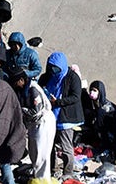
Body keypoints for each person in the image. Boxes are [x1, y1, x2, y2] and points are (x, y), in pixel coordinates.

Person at [42, 51, 83, 179]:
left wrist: (58, 102)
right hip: (50, 116)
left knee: (66, 147)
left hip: (66, 118)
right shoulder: (48, 76)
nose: (54, 70)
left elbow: (75, 97)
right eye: (52, 67)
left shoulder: (72, 77)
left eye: (56, 68)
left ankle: (68, 173)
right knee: (49, 145)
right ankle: (52, 170)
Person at [12, 66, 55, 181]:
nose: (15, 85)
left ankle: (42, 180)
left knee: (42, 154)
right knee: (34, 152)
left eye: (16, 82)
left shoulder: (32, 89)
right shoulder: (22, 91)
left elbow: (36, 111)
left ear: (22, 80)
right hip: (34, 125)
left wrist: (21, 109)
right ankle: (38, 177)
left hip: (43, 123)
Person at [84, 80, 116, 151]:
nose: (92, 92)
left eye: (95, 90)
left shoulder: (106, 105)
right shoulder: (91, 103)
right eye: (91, 90)